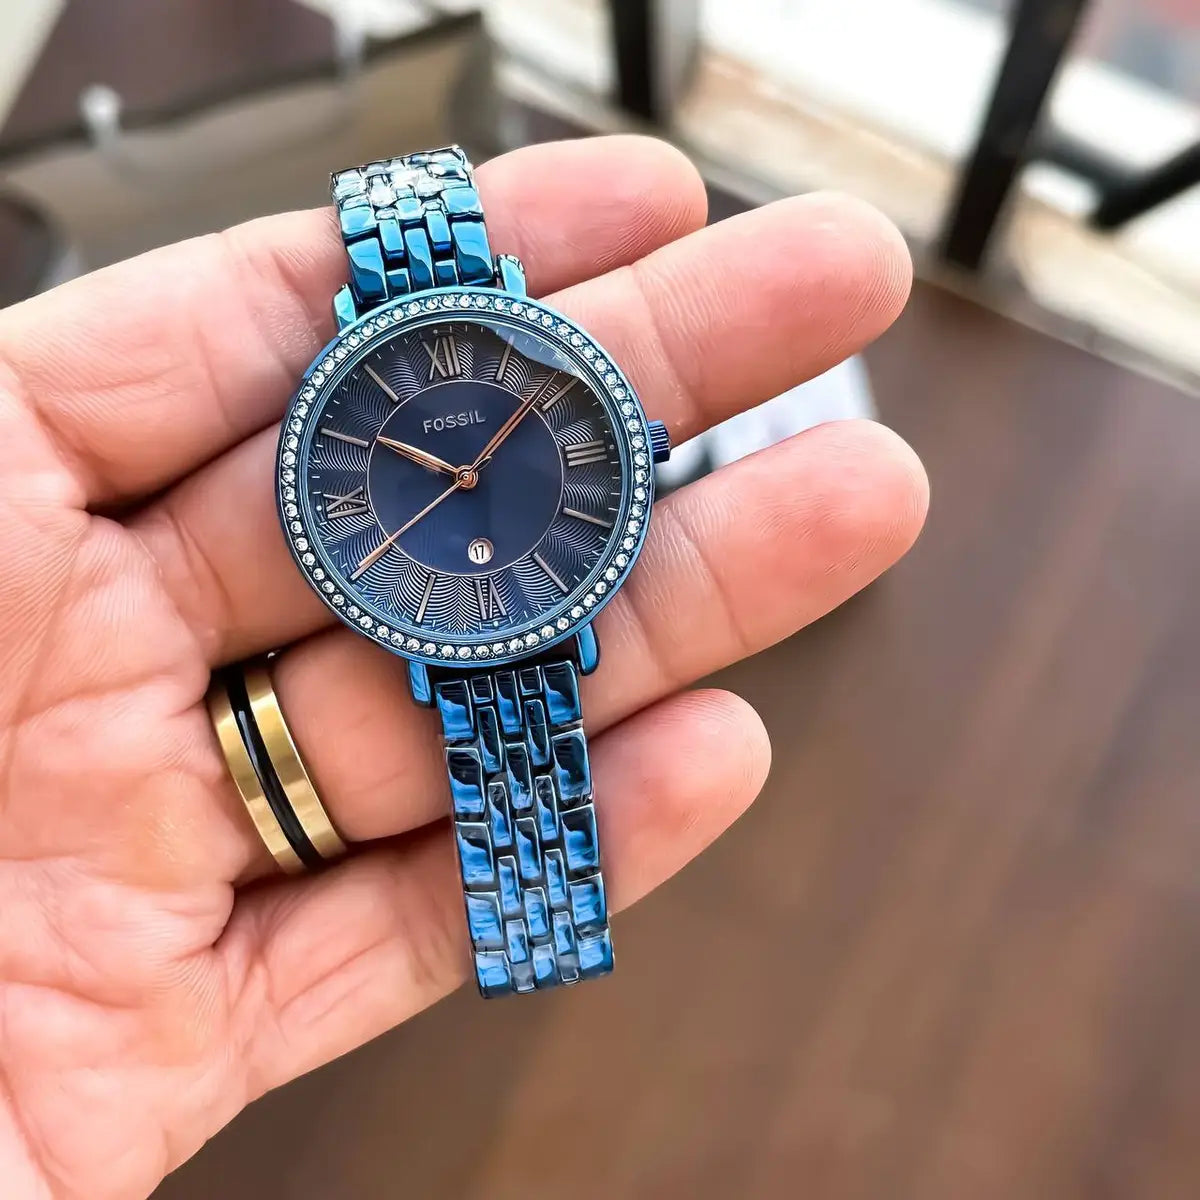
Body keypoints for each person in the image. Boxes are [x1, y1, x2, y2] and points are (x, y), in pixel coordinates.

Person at [0, 136, 926, 1199]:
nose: (467, 473)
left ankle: (539, 924)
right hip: (458, 622)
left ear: (637, 443)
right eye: (447, 465)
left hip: (526, 609)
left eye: (473, 465)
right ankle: (536, 926)